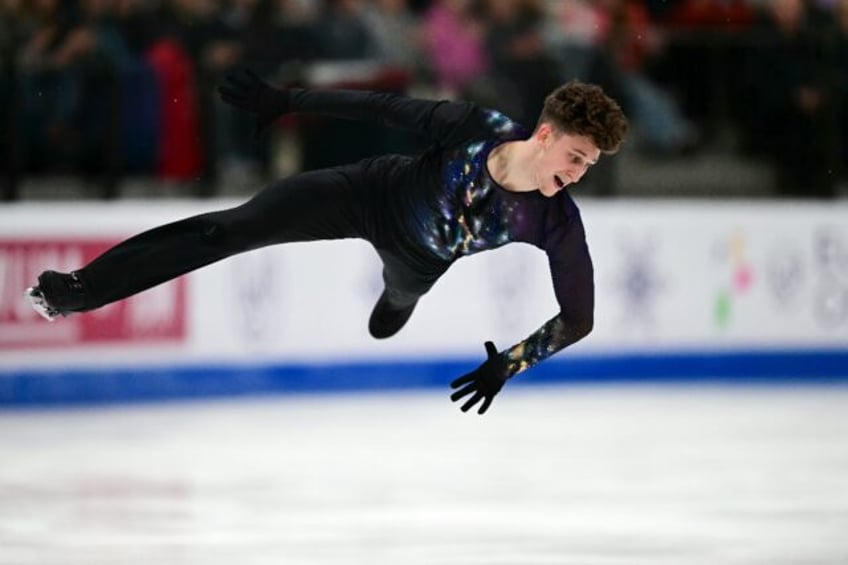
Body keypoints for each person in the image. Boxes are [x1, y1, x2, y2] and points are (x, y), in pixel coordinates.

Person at [25, 69, 628, 415]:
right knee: (231, 227)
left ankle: (398, 301)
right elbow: (384, 108)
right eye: (576, 156)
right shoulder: (479, 127)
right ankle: (81, 290)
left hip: (421, 257)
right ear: (545, 135)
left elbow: (580, 318)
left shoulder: (555, 222)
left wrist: (510, 364)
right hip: (366, 193)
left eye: (588, 166)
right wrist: (288, 101)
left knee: (394, 305)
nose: (577, 173)